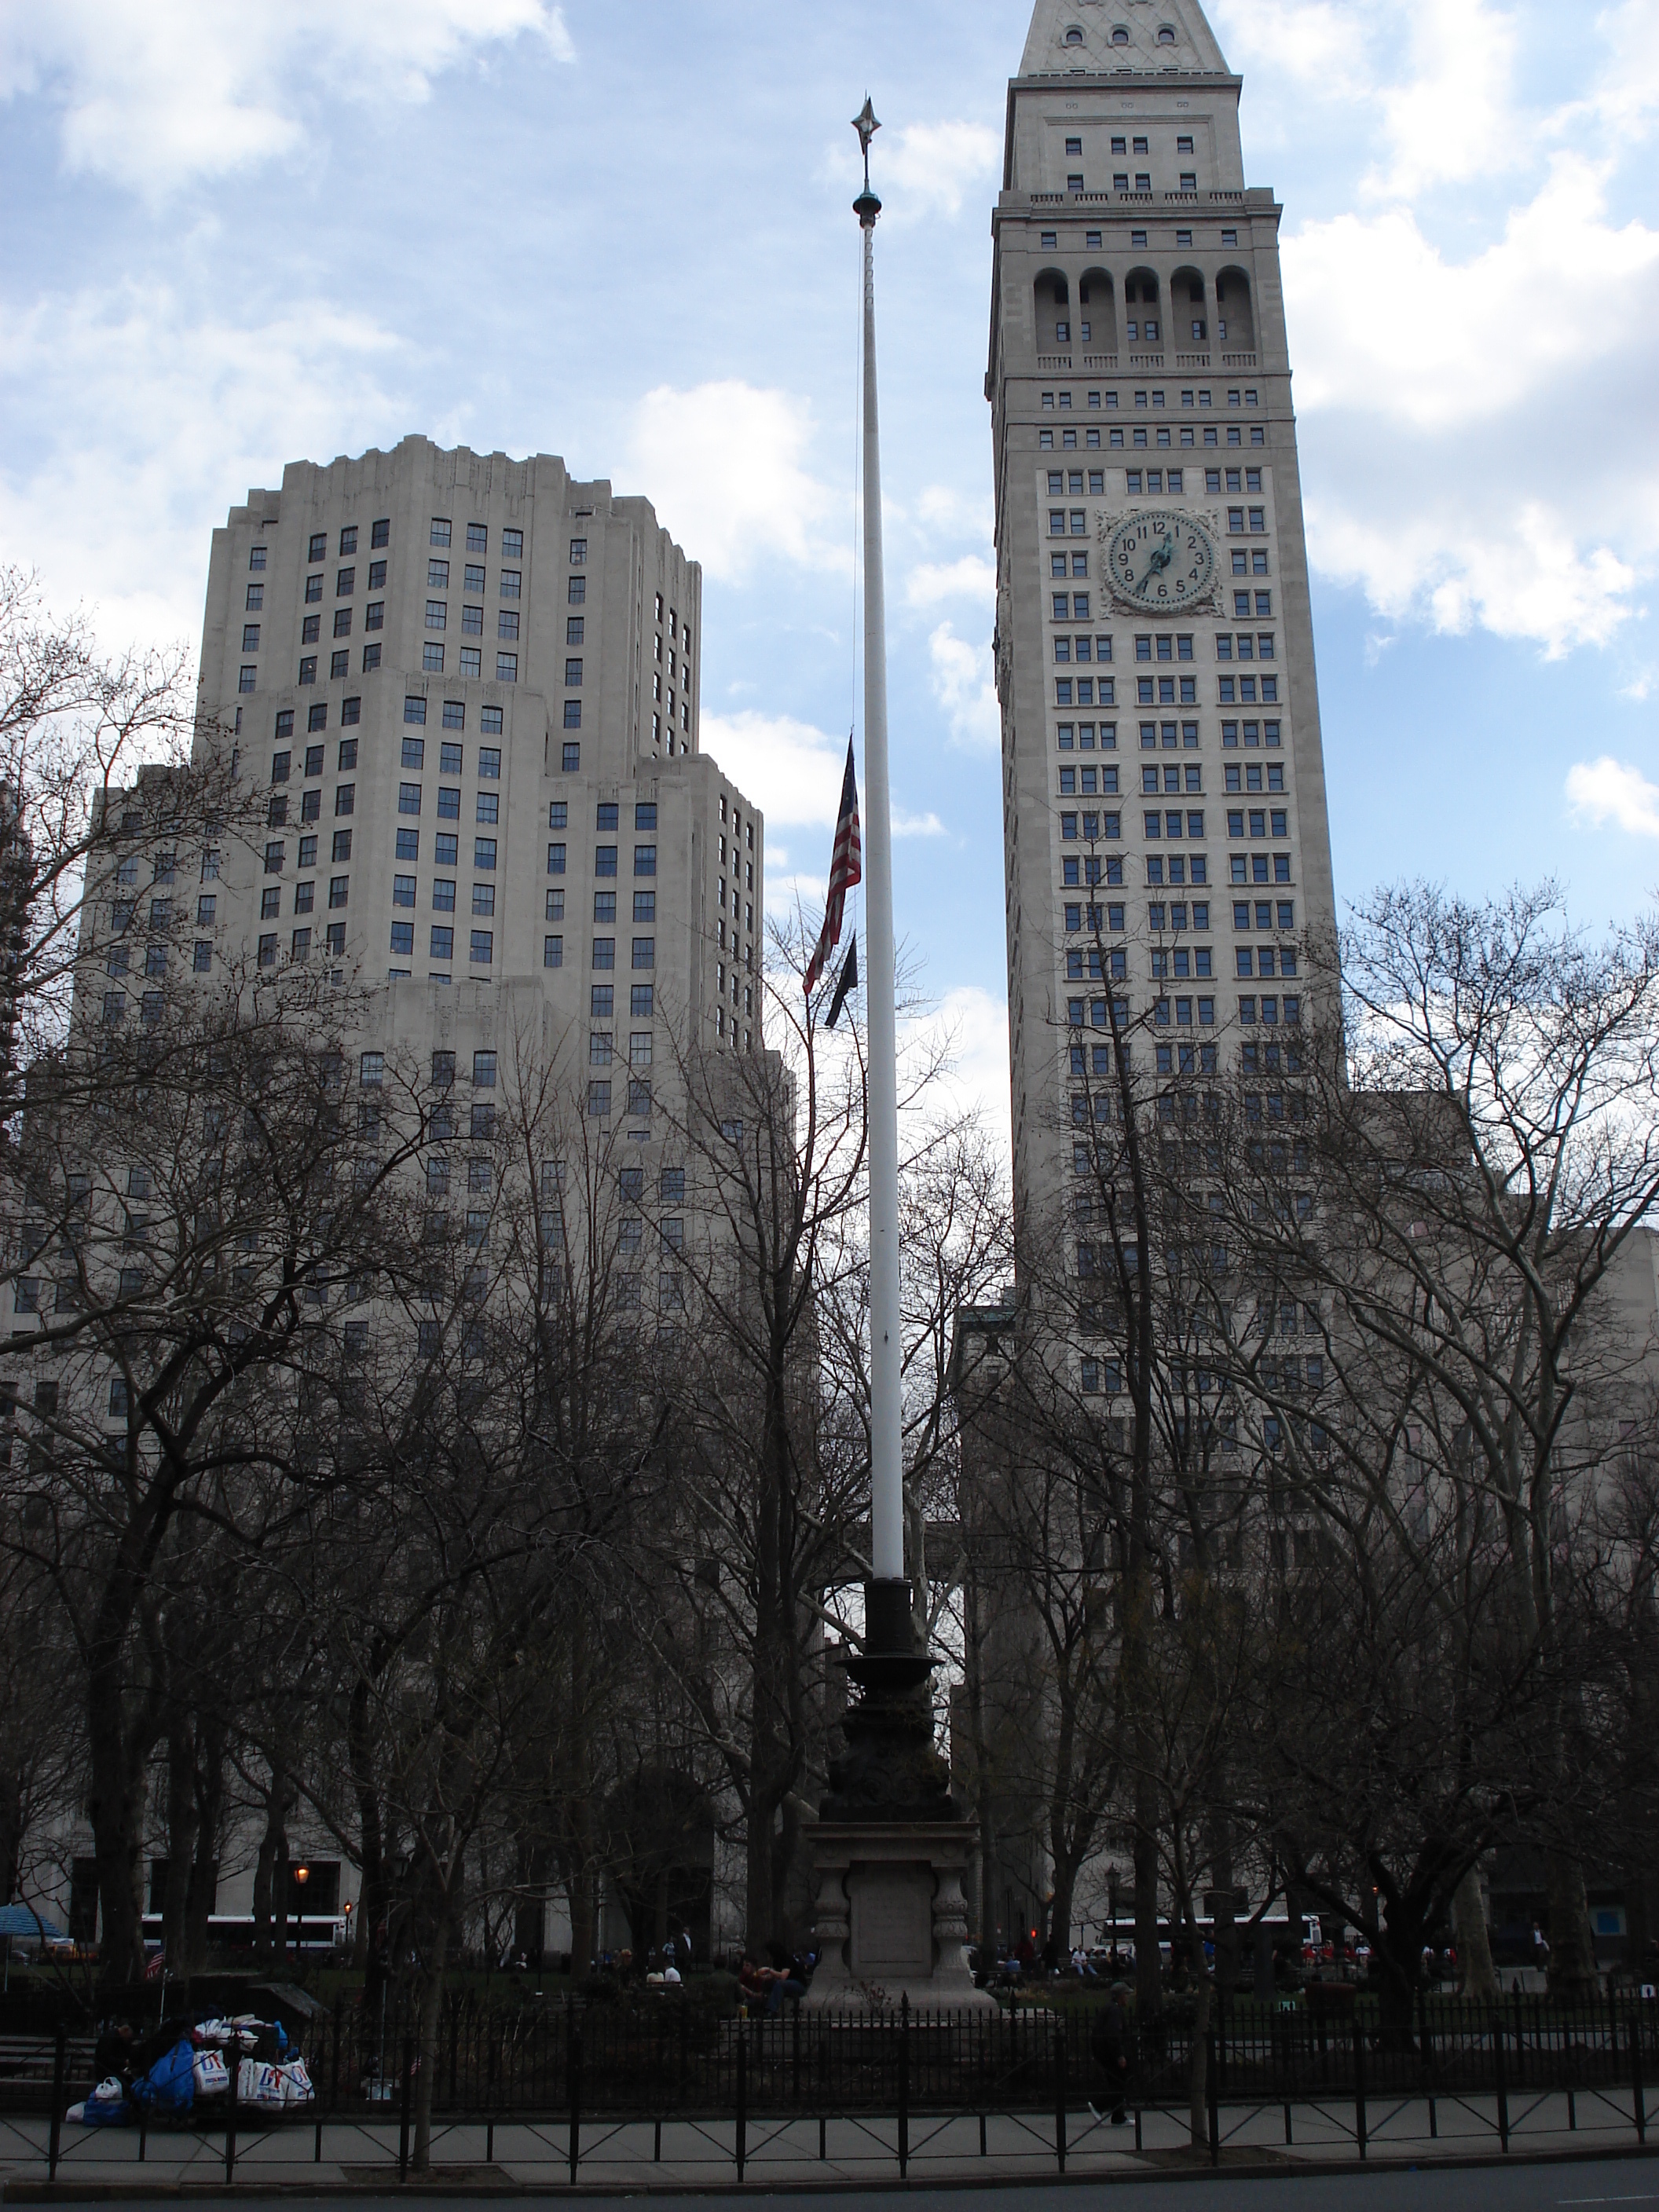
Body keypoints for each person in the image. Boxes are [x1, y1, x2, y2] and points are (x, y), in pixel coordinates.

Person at [1089, 1982, 1135, 2126]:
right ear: (1120, 1996)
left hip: (1105, 2053)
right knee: (1119, 2083)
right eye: (1126, 1995)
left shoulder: (1111, 2009)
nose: (1128, 1998)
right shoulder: (1114, 2011)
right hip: (1110, 2054)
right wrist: (1119, 2055)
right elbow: (1113, 2034)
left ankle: (1118, 2116)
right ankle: (1099, 2105)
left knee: (1117, 2083)